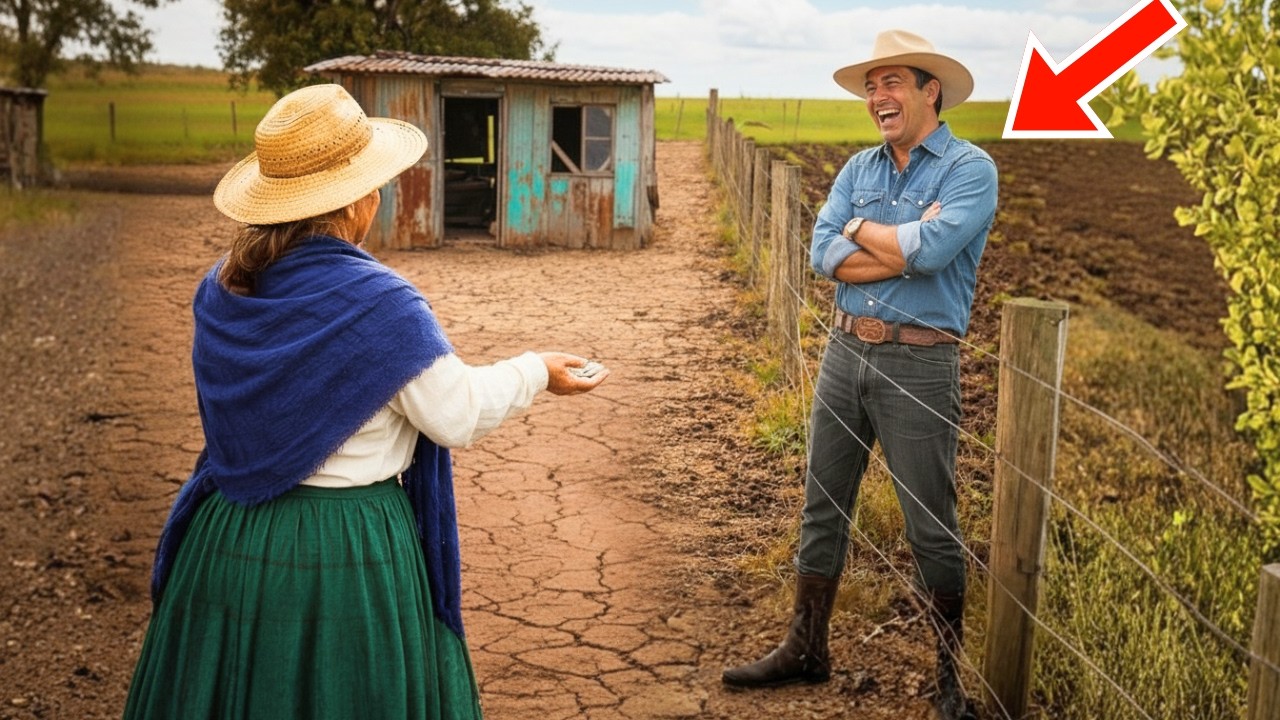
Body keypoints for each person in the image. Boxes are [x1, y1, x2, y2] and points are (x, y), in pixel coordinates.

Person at [122, 83, 609, 719]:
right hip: (345, 551)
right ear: (358, 199)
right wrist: (535, 371)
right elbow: (454, 412)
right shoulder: (381, 305)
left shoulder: (223, 289)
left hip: (227, 541)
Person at [721, 30, 997, 720]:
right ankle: (806, 650)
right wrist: (900, 246)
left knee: (930, 525)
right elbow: (821, 251)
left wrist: (865, 234)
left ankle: (947, 680)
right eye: (872, 85)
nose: (879, 97)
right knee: (822, 503)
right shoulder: (857, 169)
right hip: (846, 353)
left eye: (893, 82)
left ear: (930, 90)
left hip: (920, 361)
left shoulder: (970, 169)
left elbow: (932, 251)